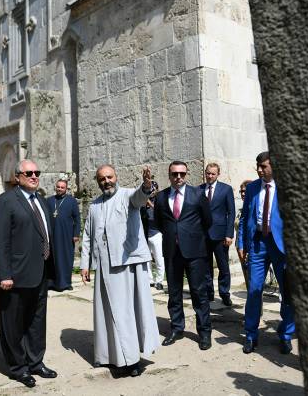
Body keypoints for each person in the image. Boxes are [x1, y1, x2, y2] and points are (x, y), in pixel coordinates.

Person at [80, 165, 160, 376]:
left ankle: (132, 360)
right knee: (107, 313)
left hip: (127, 264)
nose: (106, 181)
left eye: (110, 177)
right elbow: (87, 235)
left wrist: (146, 186)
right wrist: (84, 264)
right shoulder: (95, 205)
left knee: (127, 313)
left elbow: (140, 198)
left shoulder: (127, 196)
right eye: (102, 179)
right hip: (104, 266)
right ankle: (109, 356)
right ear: (98, 182)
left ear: (116, 177)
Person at [0, 160, 57, 388]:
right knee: (13, 323)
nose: (34, 175)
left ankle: (35, 361)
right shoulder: (6, 201)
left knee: (37, 321)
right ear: (17, 176)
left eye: (37, 172)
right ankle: (18, 367)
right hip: (15, 276)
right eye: (29, 172)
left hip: (40, 272)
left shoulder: (40, 200)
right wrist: (5, 274)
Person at [237, 151, 295, 355]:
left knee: (288, 294)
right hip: (258, 244)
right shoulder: (252, 188)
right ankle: (251, 335)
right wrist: (241, 243)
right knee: (253, 290)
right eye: (258, 167)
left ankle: (286, 335)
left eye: (264, 167)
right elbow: (244, 218)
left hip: (282, 247)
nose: (260, 170)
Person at [154, 160, 212, 350]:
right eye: (174, 174)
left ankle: (204, 333)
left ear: (186, 174)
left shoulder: (197, 194)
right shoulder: (161, 197)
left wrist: (191, 236)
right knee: (174, 293)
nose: (178, 177)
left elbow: (207, 220)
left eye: (182, 174)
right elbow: (160, 223)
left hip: (195, 252)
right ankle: (177, 328)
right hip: (172, 252)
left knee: (198, 293)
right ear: (169, 175)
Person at [199, 163, 235, 306]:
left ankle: (224, 293)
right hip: (203, 235)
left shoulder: (226, 189)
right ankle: (209, 293)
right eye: (208, 173)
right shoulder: (199, 189)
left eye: (213, 174)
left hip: (221, 235)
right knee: (206, 266)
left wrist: (229, 234)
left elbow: (231, 213)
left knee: (223, 266)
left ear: (218, 174)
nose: (210, 176)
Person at [46, 179, 80, 291]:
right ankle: (51, 283)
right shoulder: (49, 200)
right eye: (58, 187)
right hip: (52, 236)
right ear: (55, 187)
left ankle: (66, 283)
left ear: (66, 189)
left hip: (66, 235)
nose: (60, 189)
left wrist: (76, 234)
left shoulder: (72, 201)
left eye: (62, 187)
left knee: (66, 259)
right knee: (52, 259)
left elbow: (77, 219)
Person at [140, 180, 165, 290]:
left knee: (159, 258)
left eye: (153, 190)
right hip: (145, 234)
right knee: (147, 259)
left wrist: (150, 203)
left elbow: (162, 213)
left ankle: (159, 281)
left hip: (156, 234)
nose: (151, 192)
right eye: (149, 190)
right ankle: (149, 279)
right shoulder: (142, 203)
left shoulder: (159, 201)